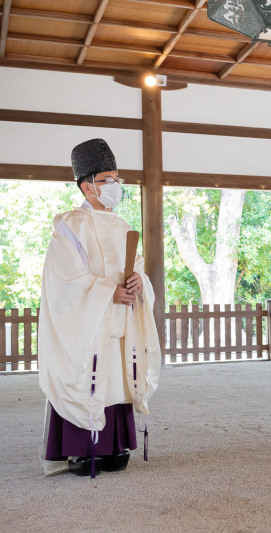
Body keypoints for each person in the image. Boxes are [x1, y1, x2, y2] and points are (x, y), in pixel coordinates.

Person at [38, 138, 161, 478]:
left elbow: (134, 266)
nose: (114, 186)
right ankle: (81, 450)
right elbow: (65, 280)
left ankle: (115, 446)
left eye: (116, 178)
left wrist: (138, 283)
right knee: (88, 374)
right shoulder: (68, 226)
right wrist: (109, 292)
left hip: (120, 321)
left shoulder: (122, 226)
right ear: (87, 186)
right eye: (107, 179)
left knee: (119, 376)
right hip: (88, 324)